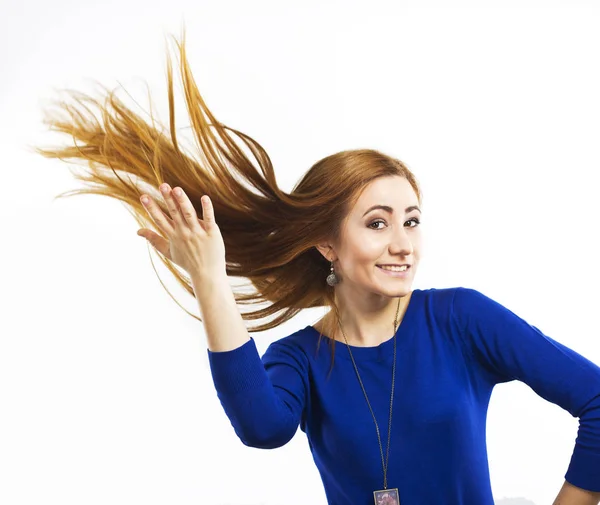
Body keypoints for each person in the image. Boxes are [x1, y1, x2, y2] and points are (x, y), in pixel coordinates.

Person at [37, 37, 600, 505]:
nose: (403, 244)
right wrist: (208, 276)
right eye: (377, 224)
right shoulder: (299, 359)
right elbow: (263, 429)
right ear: (328, 244)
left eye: (412, 220)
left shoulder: (460, 318)